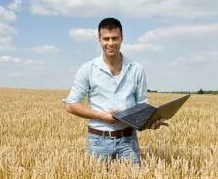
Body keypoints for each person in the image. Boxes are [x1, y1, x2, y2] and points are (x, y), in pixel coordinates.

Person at [63, 17, 167, 165]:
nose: (110, 43)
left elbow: (142, 105)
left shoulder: (136, 69)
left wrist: (151, 122)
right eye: (106, 39)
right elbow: (71, 105)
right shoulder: (88, 69)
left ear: (122, 38)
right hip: (99, 141)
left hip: (128, 140)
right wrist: (103, 116)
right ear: (99, 39)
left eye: (115, 38)